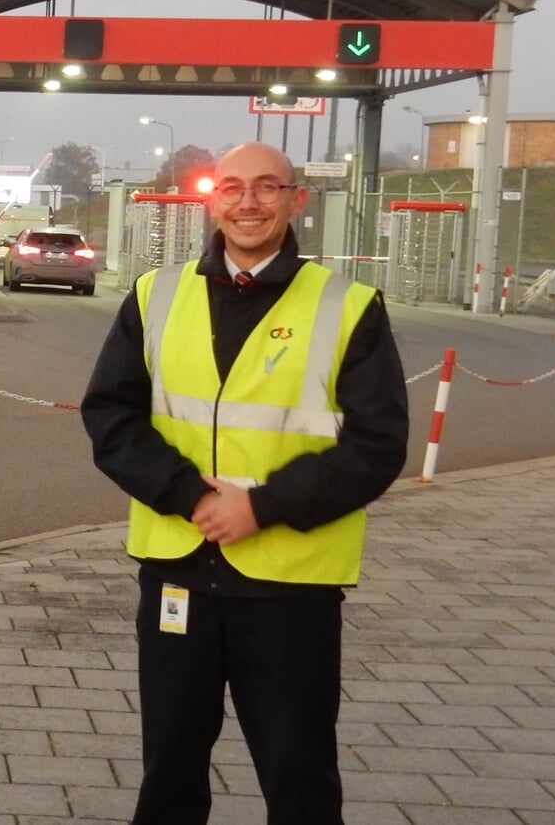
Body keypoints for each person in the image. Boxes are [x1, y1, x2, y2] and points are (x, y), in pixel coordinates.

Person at [81, 141, 408, 825]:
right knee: (168, 768)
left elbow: (377, 444)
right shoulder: (155, 296)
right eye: (232, 187)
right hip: (178, 569)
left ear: (297, 200)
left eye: (267, 187)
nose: (248, 202)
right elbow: (111, 416)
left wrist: (262, 506)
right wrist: (190, 495)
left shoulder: (348, 306)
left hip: (290, 583)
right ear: (211, 199)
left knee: (300, 776)